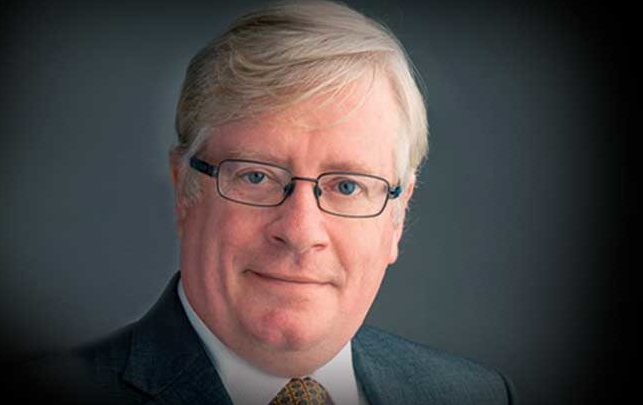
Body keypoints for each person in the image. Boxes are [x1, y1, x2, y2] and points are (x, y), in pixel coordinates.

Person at [27, 1, 516, 404]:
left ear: (397, 216)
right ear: (184, 189)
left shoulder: (475, 394)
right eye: (256, 177)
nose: (300, 232)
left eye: (347, 186)